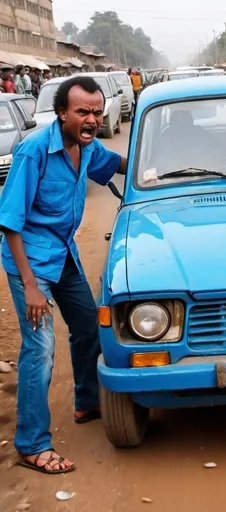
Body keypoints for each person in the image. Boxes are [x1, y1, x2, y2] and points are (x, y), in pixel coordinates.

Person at [0, 75, 127, 474]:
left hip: (64, 254)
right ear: (61, 113)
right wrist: (33, 288)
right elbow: (9, 223)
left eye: (96, 110)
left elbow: (123, 164)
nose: (91, 118)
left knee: (89, 326)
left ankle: (86, 402)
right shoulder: (34, 151)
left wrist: (167, 163)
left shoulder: (87, 148)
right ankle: (31, 444)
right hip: (31, 264)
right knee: (39, 348)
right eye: (81, 111)